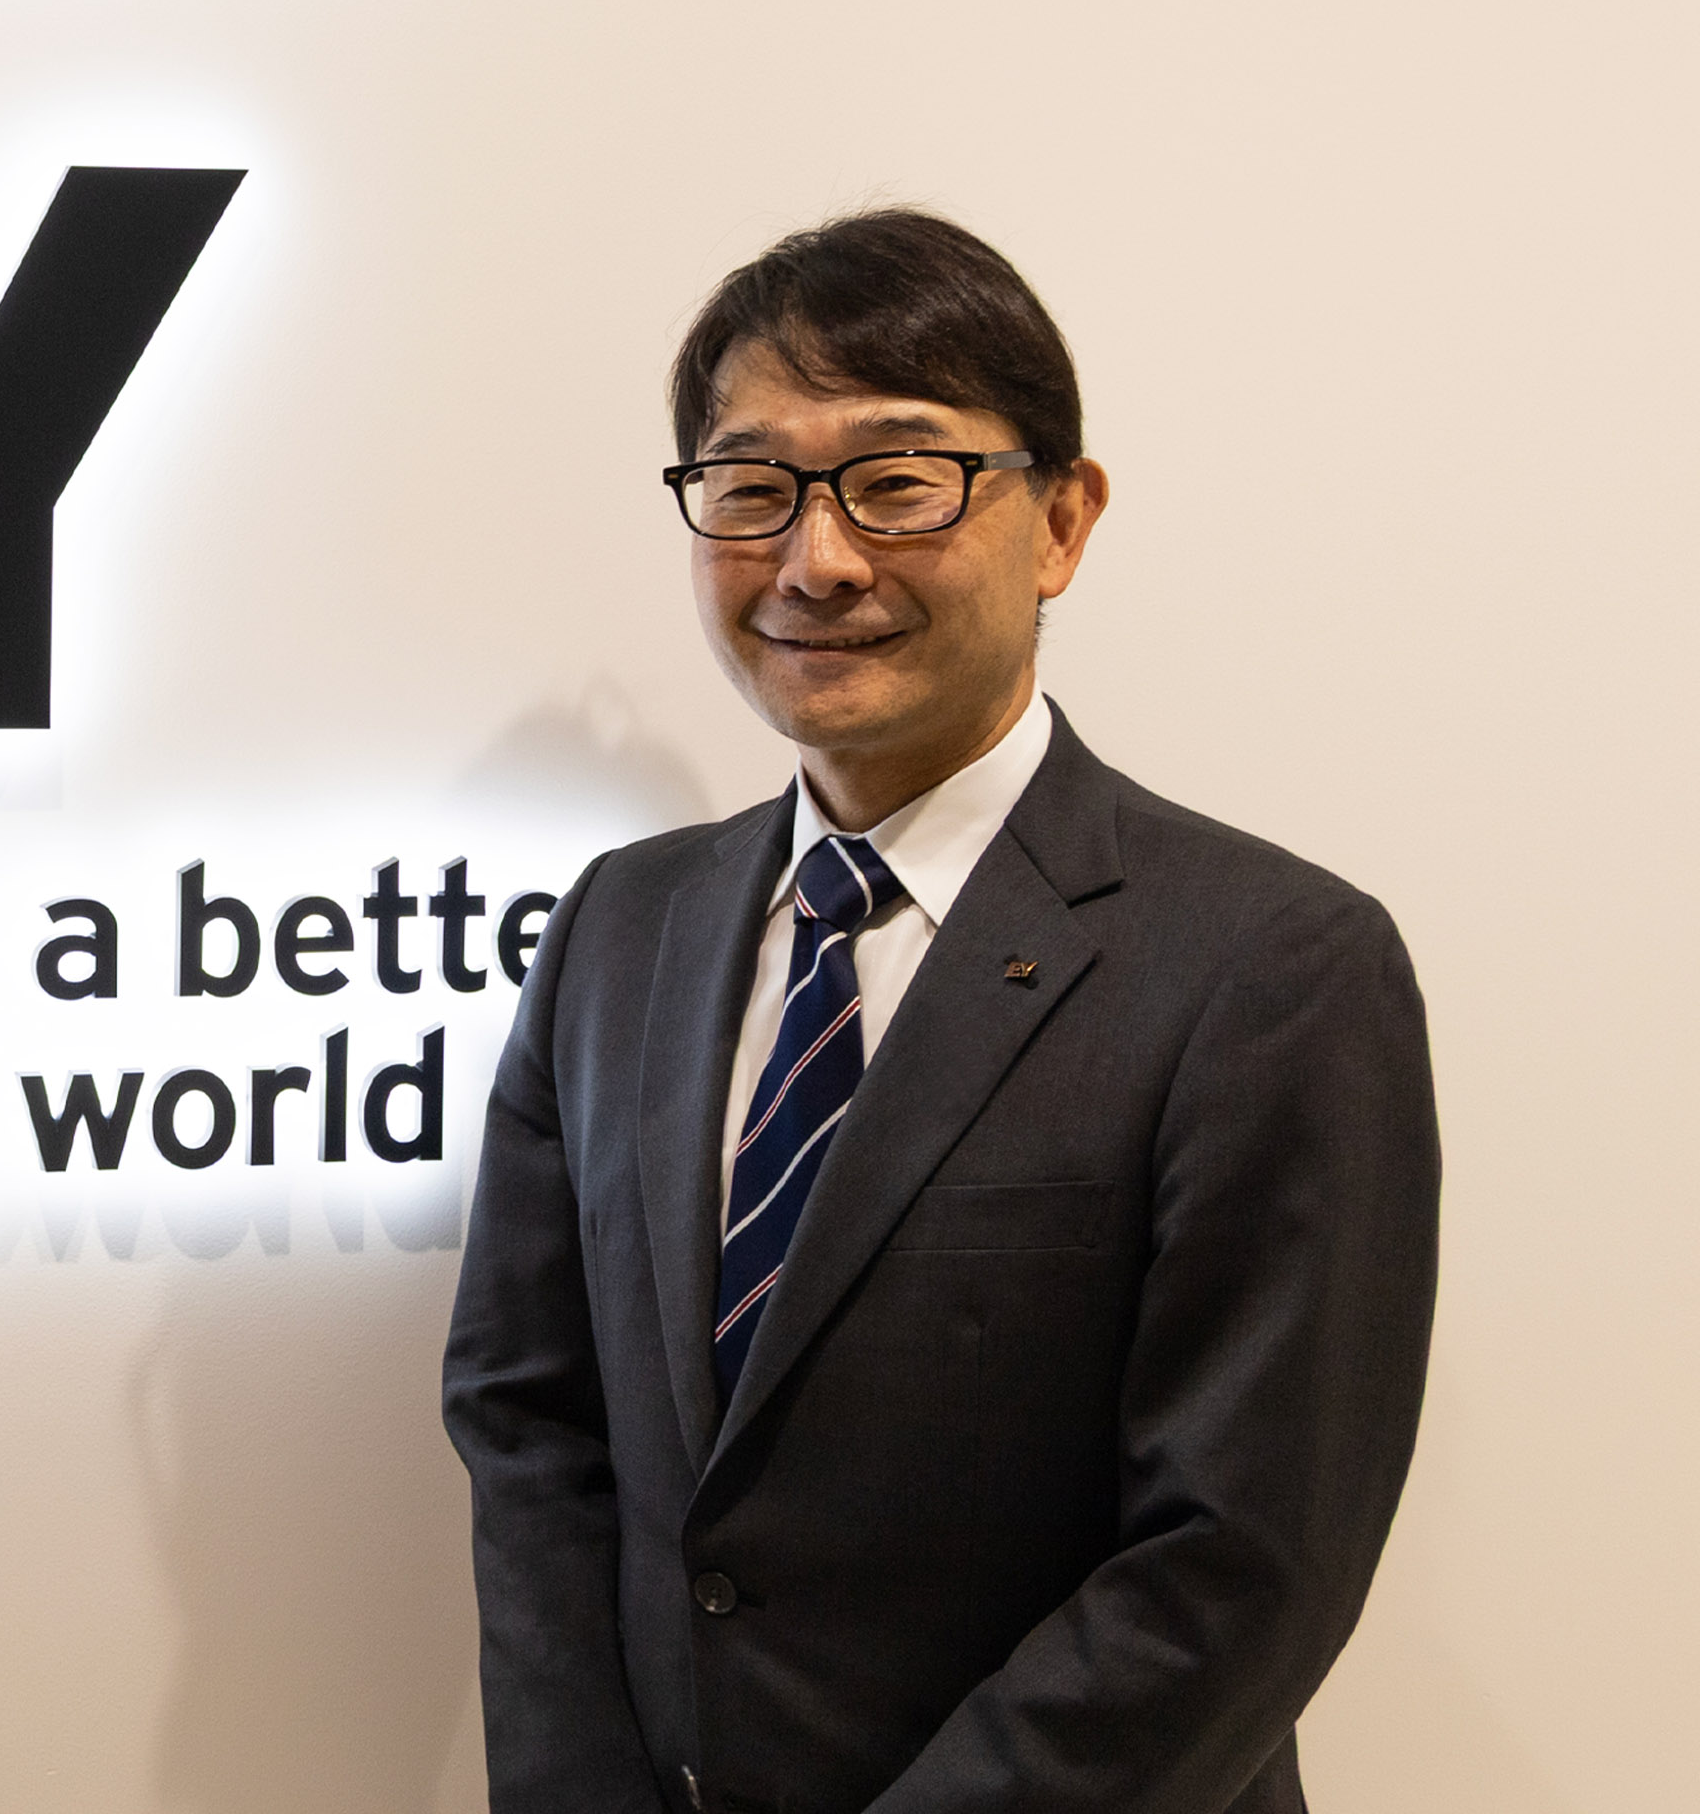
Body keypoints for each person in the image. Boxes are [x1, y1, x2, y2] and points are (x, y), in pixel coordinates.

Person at [443, 209, 1437, 1814]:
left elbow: (1242, 1558)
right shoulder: (621, 930)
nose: (816, 559)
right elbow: (530, 1425)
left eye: (898, 482)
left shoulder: (1270, 967)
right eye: (752, 488)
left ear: (1062, 522)